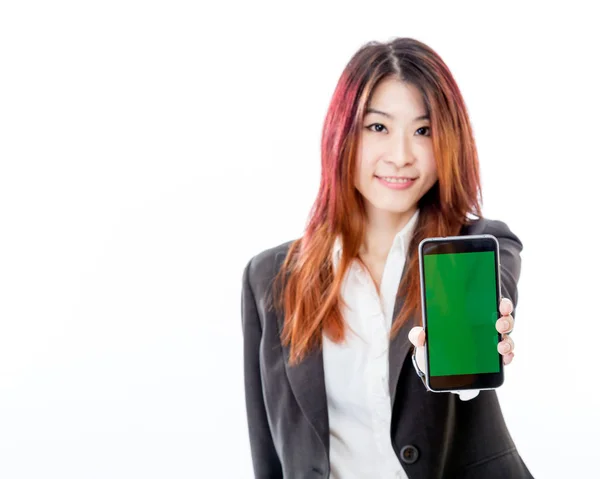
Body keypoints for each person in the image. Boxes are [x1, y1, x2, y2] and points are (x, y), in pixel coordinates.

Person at [241, 37, 533, 478]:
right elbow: (268, 451)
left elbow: (495, 296)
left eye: (423, 131)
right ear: (343, 133)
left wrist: (464, 346)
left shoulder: (475, 247)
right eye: (378, 127)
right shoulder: (270, 278)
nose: (400, 156)